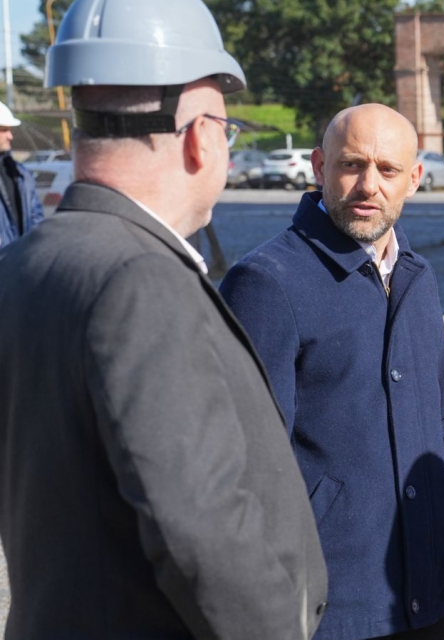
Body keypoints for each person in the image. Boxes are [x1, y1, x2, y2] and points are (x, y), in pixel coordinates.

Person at [0, 0, 328, 638]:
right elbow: (205, 539)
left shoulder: (24, 262)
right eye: (228, 130)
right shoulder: (140, 281)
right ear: (201, 136)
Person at [220, 104, 444, 640]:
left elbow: (442, 413)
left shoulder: (417, 276)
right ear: (319, 166)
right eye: (351, 165)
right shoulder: (266, 283)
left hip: (436, 584)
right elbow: (248, 462)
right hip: (335, 601)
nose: (368, 185)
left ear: (414, 178)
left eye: (387, 169)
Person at [0, 101, 44, 247]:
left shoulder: (21, 174)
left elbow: (36, 217)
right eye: (4, 130)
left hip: (21, 258)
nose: (10, 136)